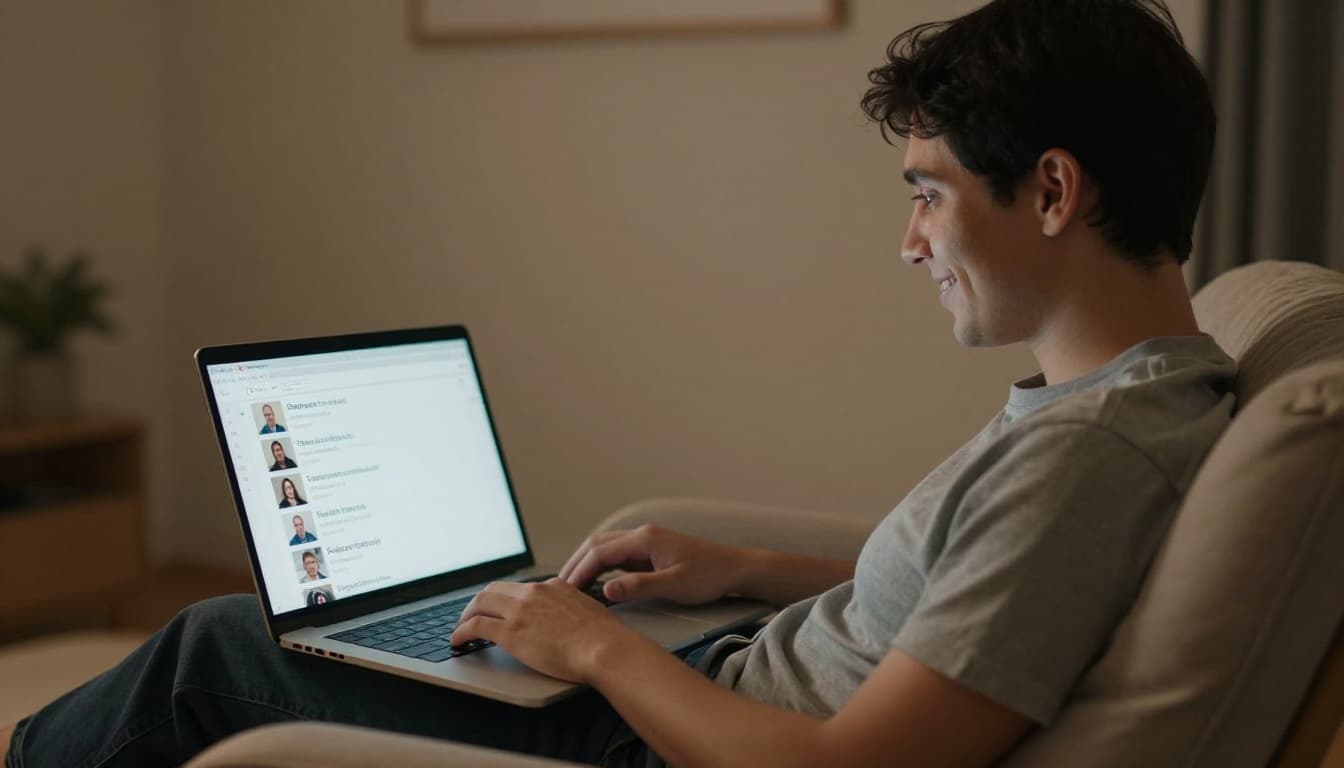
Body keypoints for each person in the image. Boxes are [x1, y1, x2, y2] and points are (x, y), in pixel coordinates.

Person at [3, 2, 1235, 766]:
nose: (909, 243)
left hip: (668, 737)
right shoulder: (1126, 402)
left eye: (928, 193)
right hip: (722, 674)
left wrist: (597, 652)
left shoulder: (1092, 455)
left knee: (213, 645)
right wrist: (744, 572)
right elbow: (977, 602)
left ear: (1056, 191)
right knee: (437, 621)